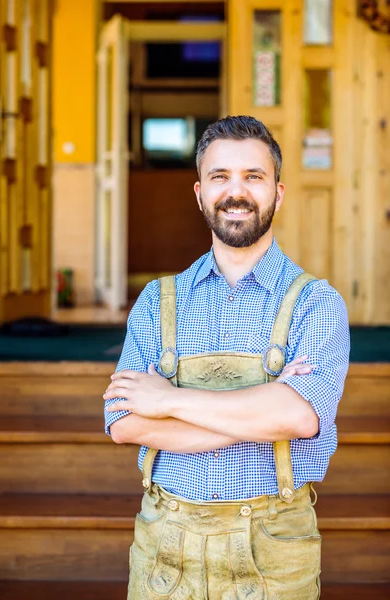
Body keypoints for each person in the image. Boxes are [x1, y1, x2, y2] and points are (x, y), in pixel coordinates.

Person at [103, 115, 350, 600]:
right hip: (164, 552)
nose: (235, 192)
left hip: (273, 554)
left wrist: (168, 398)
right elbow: (124, 422)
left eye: (253, 177)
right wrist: (263, 410)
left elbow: (301, 417)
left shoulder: (317, 303)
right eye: (220, 177)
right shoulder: (156, 300)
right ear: (199, 193)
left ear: (278, 192)